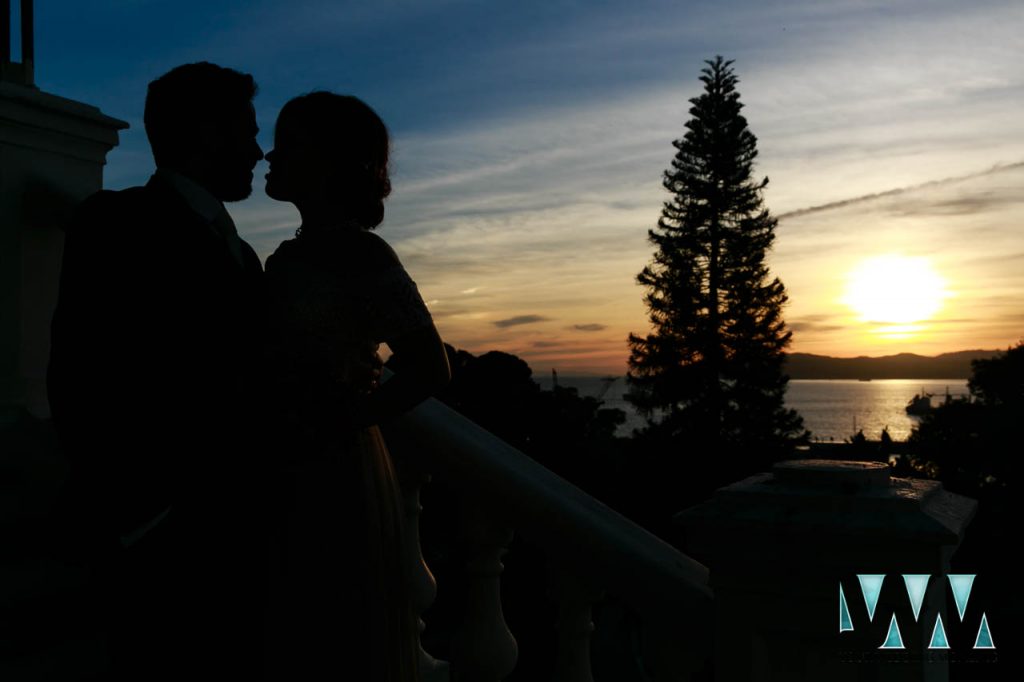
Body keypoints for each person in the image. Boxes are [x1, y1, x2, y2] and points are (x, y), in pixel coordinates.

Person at [47, 62, 268, 679]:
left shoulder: (242, 251)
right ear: (203, 131)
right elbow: (78, 375)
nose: (258, 149)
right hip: (157, 536)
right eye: (245, 131)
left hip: (232, 537)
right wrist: (145, 517)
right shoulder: (115, 222)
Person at [262, 91, 450, 681]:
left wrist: (339, 419)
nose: (270, 155)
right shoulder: (296, 254)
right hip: (293, 465)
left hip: (335, 469)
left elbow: (429, 365)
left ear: (325, 161)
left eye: (287, 143)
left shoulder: (362, 253)